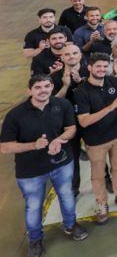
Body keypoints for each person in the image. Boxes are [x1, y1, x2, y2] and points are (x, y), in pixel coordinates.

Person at [2, 75, 88, 255]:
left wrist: (58, 140)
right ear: (29, 90)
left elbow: (71, 129)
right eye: (38, 87)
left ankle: (70, 225)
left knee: (66, 195)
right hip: (31, 171)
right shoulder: (15, 115)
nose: (43, 90)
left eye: (46, 86)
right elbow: (5, 147)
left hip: (62, 163)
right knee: (33, 206)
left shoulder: (62, 105)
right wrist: (33, 145)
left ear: (52, 87)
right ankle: (35, 239)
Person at [72, 53, 117, 224]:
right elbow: (84, 121)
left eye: (104, 66)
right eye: (98, 66)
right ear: (90, 68)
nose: (102, 69)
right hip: (96, 141)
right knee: (98, 174)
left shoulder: (114, 81)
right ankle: (101, 203)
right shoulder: (81, 92)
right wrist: (109, 108)